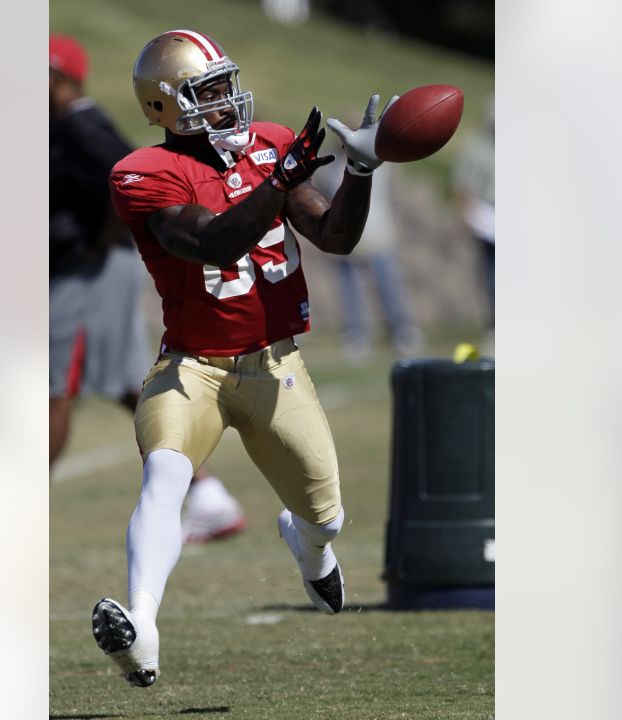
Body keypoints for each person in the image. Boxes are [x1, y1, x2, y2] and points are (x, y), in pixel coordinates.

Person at [90, 28, 392, 687]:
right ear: (165, 106)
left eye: (227, 84)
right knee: (165, 477)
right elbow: (210, 243)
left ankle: (310, 550)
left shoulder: (271, 148)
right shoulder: (143, 173)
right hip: (193, 366)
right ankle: (140, 626)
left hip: (275, 367)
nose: (227, 100)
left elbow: (335, 235)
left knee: (327, 516)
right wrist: (277, 183)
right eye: (208, 90)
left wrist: (361, 172)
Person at [49, 34, 244, 543]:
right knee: (124, 384)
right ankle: (207, 494)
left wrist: (98, 243)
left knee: (52, 389)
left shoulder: (82, 127)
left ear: (61, 78)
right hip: (75, 271)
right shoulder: (62, 127)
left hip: (84, 273)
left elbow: (130, 183)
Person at [312, 139, 424, 361]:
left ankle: (401, 329)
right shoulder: (333, 170)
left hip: (377, 234)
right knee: (350, 290)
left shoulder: (379, 166)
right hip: (347, 238)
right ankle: (356, 333)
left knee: (388, 286)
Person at [454, 94, 495, 339]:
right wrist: (464, 214)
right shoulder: (477, 146)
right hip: (487, 215)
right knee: (492, 271)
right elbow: (465, 184)